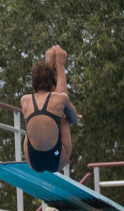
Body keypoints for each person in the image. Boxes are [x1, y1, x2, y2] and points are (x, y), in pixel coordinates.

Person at [20, 45, 80, 173]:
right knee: (62, 114)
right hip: (56, 157)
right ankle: (59, 66)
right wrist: (60, 67)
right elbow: (74, 119)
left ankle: (51, 65)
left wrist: (48, 64)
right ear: (53, 88)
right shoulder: (59, 98)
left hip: (33, 159)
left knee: (34, 118)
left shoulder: (24, 100)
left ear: (34, 89)